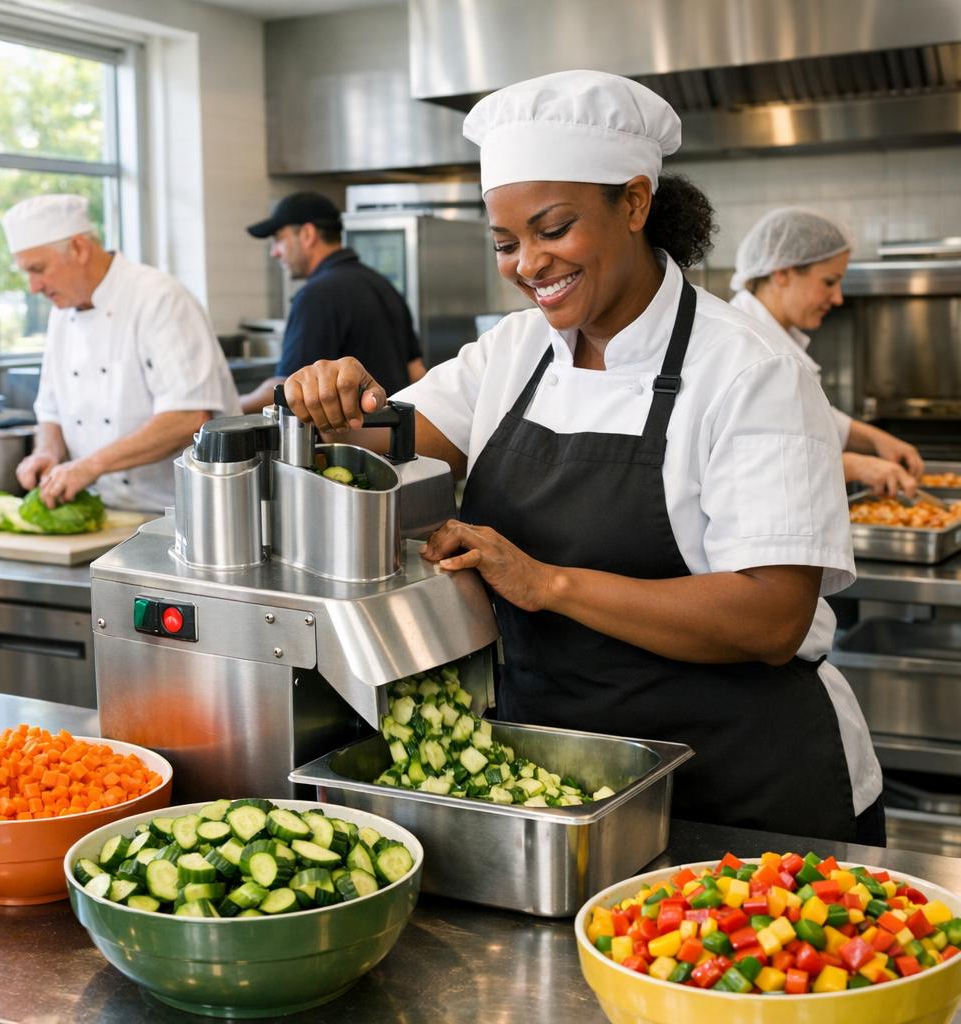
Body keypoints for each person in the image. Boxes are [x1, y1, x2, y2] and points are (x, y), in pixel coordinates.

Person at [280, 70, 884, 845]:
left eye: (553, 229)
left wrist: (546, 583)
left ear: (634, 203)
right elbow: (394, 440)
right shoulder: (517, 350)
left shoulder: (749, 369)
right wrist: (337, 405)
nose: (529, 264)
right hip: (569, 786)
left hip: (740, 791)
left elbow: (771, 615)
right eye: (506, 242)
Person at [4, 194, 240, 512]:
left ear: (78, 248)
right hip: (104, 513)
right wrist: (46, 451)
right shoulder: (62, 312)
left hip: (182, 514)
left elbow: (188, 418)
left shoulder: (159, 299)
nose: (33, 286)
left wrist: (89, 466)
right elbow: (51, 409)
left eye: (38, 269)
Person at [730, 208, 924, 497]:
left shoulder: (776, 337)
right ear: (782, 272)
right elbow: (761, 458)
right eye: (829, 281)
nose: (838, 297)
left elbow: (805, 416)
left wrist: (876, 440)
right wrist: (858, 467)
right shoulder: (745, 345)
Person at [239, 192, 425, 414]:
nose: (274, 253)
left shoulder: (316, 296)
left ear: (308, 234)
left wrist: (229, 409)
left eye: (279, 239)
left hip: (348, 440)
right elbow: (416, 372)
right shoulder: (382, 284)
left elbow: (287, 388)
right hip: (393, 437)